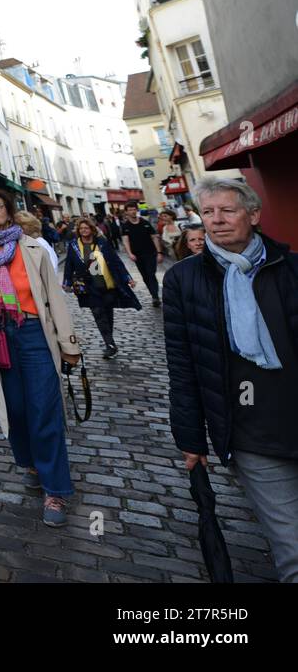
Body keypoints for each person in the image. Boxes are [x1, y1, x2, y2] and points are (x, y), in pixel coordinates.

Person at [164, 178, 298, 583]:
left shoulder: (290, 268)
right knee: (292, 544)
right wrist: (190, 439)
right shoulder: (184, 279)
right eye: (208, 213)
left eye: (228, 210)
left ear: (254, 215)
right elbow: (183, 363)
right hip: (250, 430)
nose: (217, 221)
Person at [0, 190, 81, 527]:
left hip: (33, 333)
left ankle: (55, 488)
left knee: (45, 408)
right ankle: (29, 461)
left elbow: (55, 298)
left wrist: (68, 342)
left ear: (10, 212)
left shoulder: (32, 248)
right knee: (13, 408)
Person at [62, 218, 140, 359]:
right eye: (81, 229)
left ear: (92, 229)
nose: (83, 231)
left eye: (86, 228)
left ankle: (109, 340)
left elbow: (116, 262)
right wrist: (67, 281)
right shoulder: (74, 246)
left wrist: (127, 278)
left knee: (107, 314)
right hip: (88, 286)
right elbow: (69, 264)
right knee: (98, 314)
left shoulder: (102, 243)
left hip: (105, 284)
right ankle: (109, 344)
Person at [122, 200, 163, 307]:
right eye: (130, 210)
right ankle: (153, 294)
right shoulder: (125, 226)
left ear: (137, 210)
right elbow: (125, 241)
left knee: (151, 273)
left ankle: (155, 296)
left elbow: (154, 237)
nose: (132, 211)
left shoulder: (145, 223)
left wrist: (159, 252)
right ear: (126, 212)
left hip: (150, 253)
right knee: (145, 276)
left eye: (134, 209)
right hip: (137, 255)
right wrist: (130, 253)